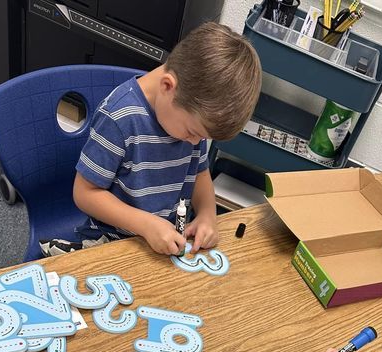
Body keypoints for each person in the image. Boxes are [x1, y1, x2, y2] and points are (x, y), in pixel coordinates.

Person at [40, 22, 261, 259]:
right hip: (115, 240)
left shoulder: (193, 121)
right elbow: (84, 193)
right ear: (167, 86)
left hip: (168, 240)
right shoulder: (120, 118)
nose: (195, 142)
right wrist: (146, 225)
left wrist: (207, 214)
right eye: (192, 132)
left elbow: (200, 173)